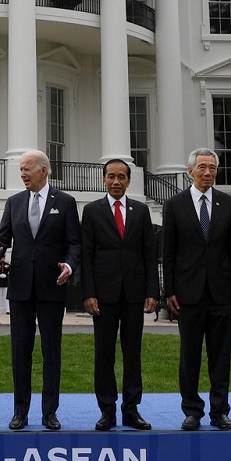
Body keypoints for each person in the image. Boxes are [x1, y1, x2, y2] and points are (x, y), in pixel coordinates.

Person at [0, 150, 81, 431]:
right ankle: (20, 412)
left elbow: (74, 243)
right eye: (21, 169)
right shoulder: (14, 202)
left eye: (27, 169)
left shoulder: (65, 202)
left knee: (51, 351)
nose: (22, 174)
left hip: (53, 285)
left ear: (43, 170)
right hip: (20, 288)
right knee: (20, 352)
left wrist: (69, 265)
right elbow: (2, 237)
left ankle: (49, 412)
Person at [162, 148, 231, 431]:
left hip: (221, 291)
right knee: (190, 355)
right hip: (188, 292)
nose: (208, 173)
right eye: (202, 168)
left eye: (212, 168)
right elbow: (168, 251)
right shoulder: (175, 205)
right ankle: (192, 410)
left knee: (220, 355)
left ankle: (220, 411)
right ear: (190, 171)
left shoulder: (228, 204)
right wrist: (170, 290)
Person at [80, 159, 159, 431]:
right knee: (104, 354)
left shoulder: (141, 210)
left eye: (121, 177)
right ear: (104, 179)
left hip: (134, 293)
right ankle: (107, 410)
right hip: (103, 295)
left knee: (132, 353)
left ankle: (131, 409)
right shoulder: (92, 211)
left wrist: (152, 291)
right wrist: (88, 293)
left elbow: (149, 253)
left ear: (128, 181)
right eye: (111, 176)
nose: (116, 181)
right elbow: (87, 255)